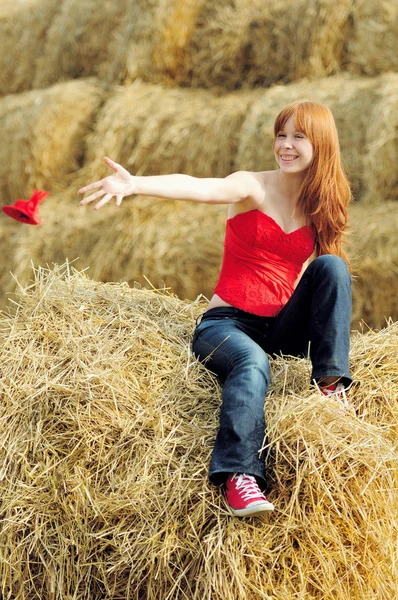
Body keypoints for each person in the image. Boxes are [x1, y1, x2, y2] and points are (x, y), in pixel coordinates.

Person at [79, 100, 353, 518]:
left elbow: (325, 290)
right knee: (252, 362)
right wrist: (135, 184)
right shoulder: (252, 186)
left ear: (321, 144)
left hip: (278, 328)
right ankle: (238, 476)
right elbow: (200, 186)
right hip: (227, 325)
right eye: (282, 134)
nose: (286, 145)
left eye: (299, 136)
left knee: (332, 266)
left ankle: (331, 385)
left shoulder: (322, 205)